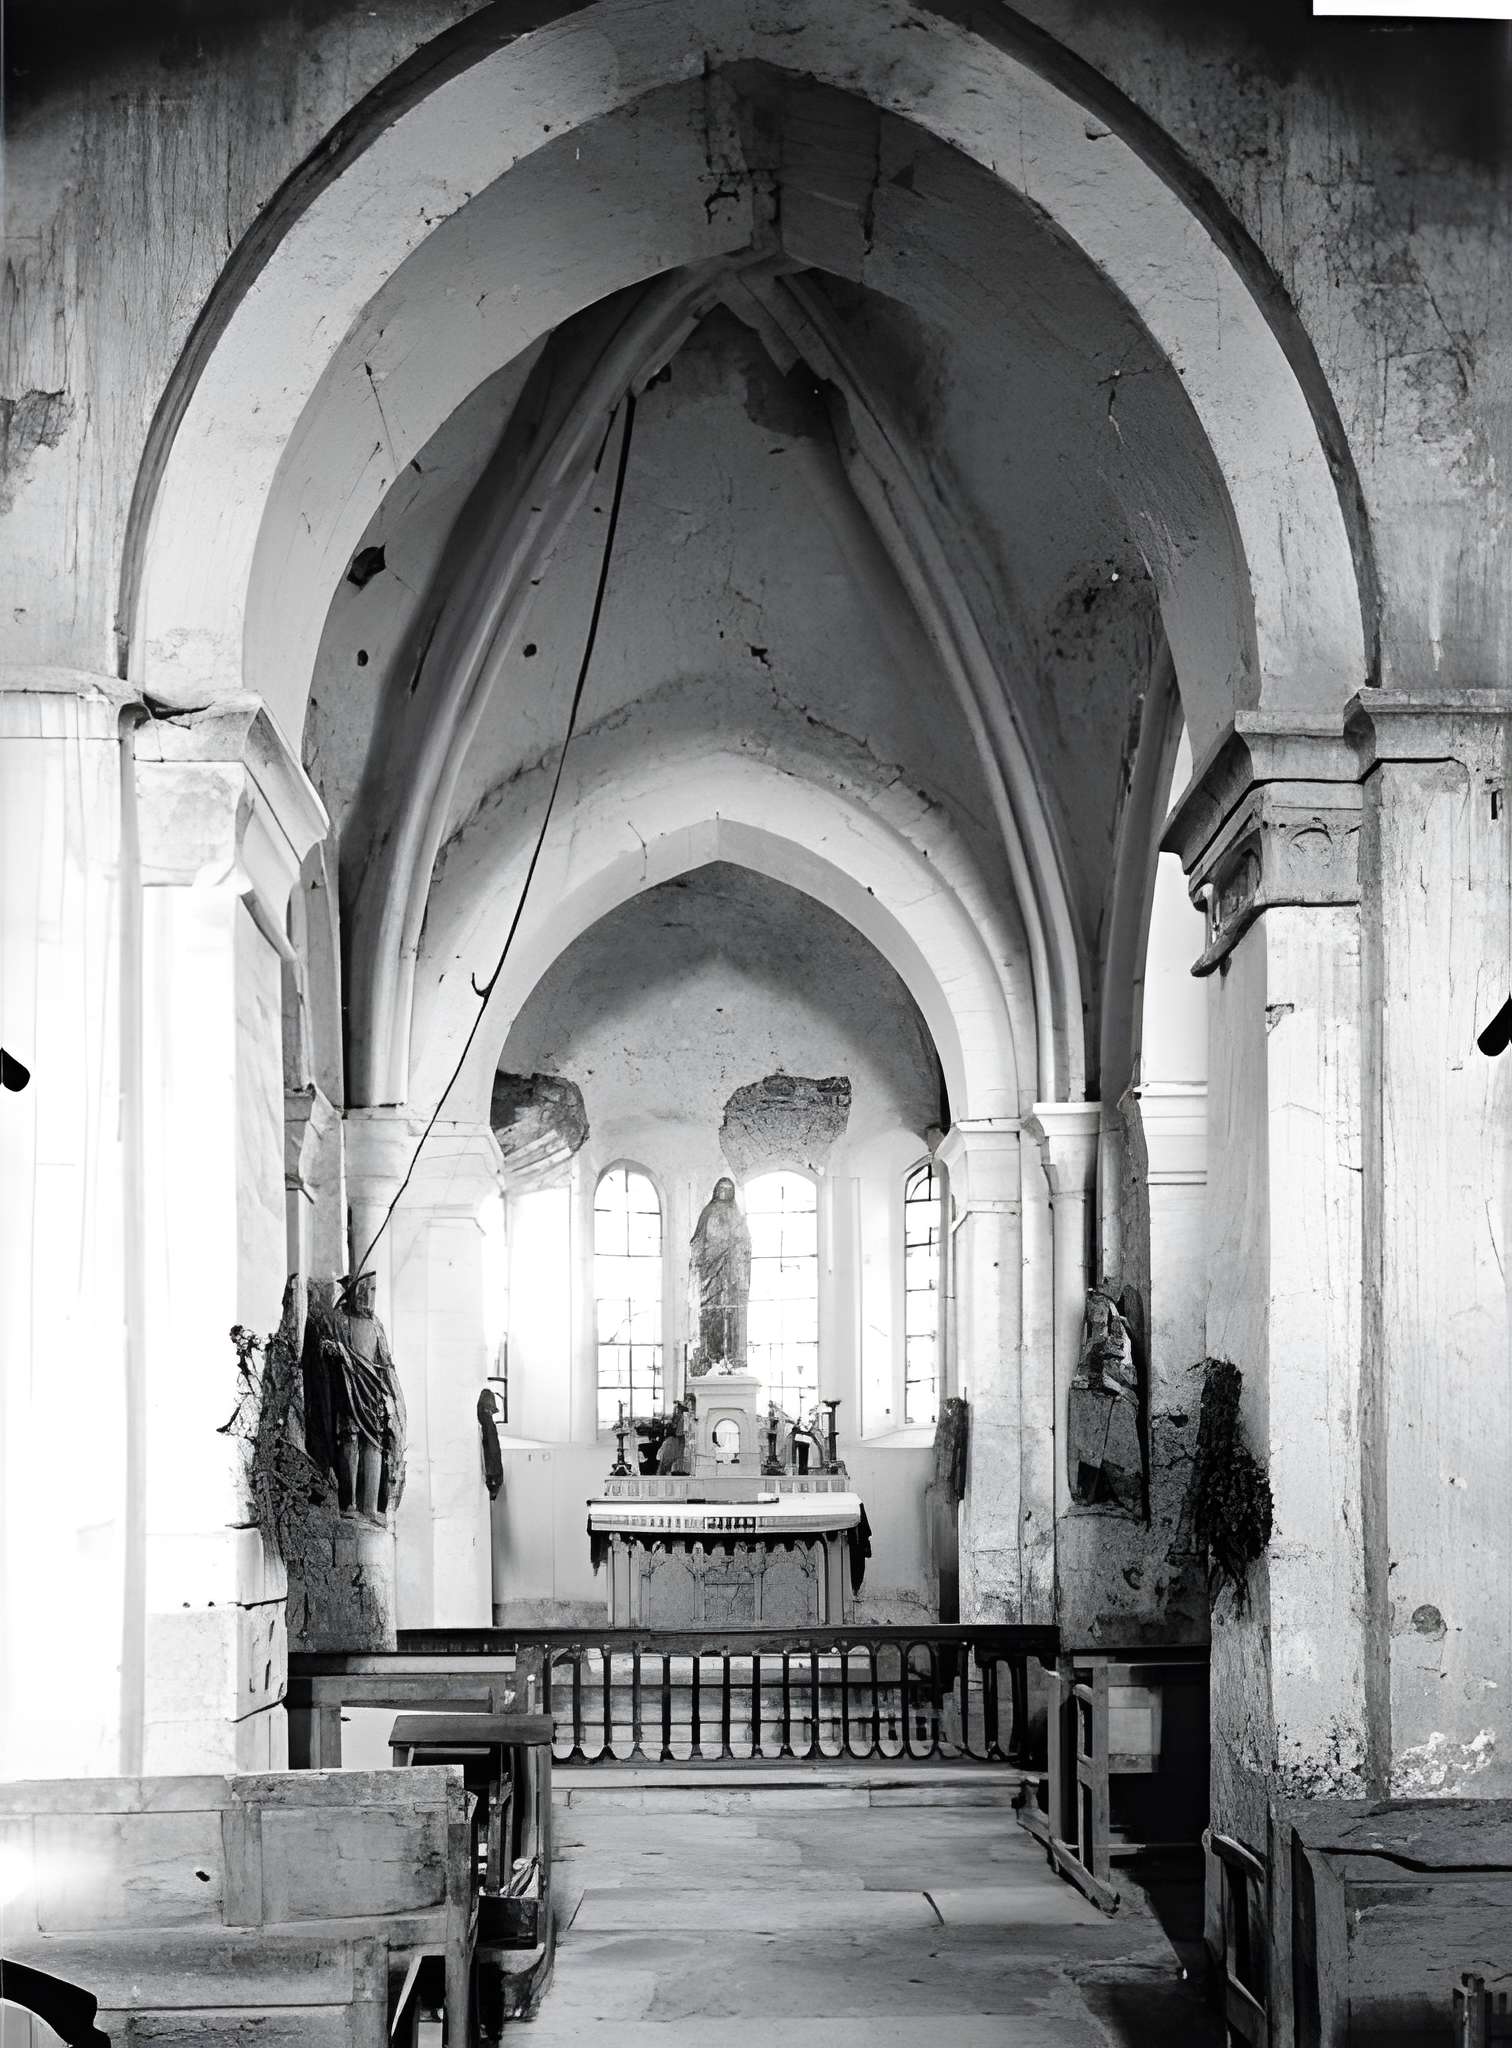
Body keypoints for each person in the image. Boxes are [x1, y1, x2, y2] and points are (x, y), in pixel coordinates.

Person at [689, 1176, 751, 1373]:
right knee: (712, 1312)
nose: (724, 1192)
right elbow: (697, 1241)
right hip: (712, 1273)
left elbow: (745, 1245)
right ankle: (711, 1356)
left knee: (733, 1312)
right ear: (716, 1190)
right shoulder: (708, 1212)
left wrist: (734, 1251)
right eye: (721, 1188)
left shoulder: (737, 1216)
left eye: (728, 1189)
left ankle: (733, 1357)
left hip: (731, 1273)